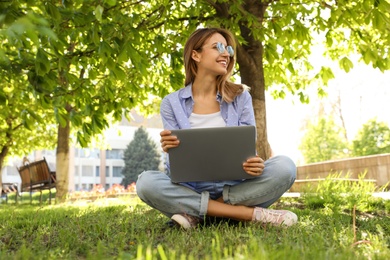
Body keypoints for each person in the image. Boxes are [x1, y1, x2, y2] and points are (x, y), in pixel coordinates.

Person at [136, 27, 297, 229]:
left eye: (228, 49)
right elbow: (175, 168)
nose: (226, 54)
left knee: (285, 166)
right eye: (217, 47)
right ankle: (247, 214)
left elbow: (247, 150)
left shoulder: (240, 96)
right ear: (195, 54)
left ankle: (198, 215)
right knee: (145, 182)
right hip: (191, 187)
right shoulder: (171, 103)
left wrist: (254, 164)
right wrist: (169, 149)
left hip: (236, 185)